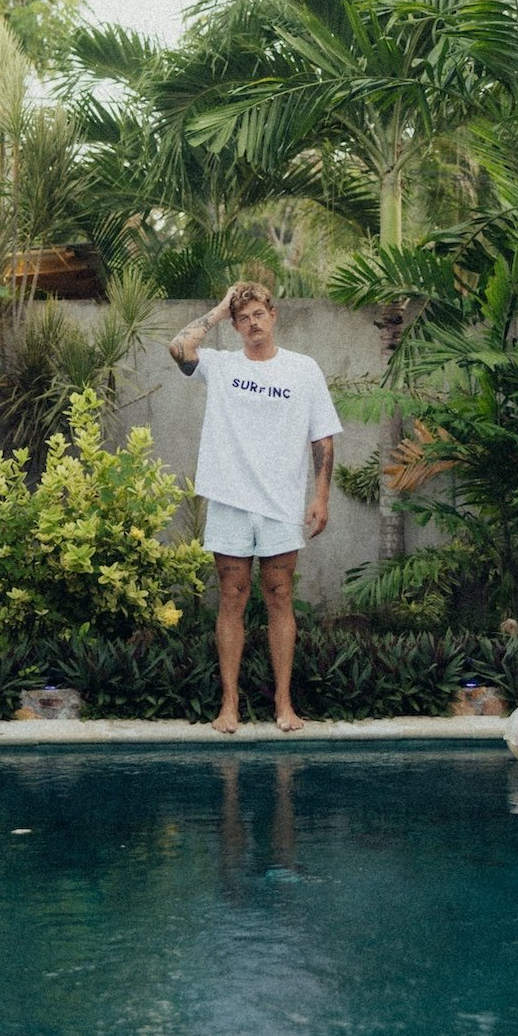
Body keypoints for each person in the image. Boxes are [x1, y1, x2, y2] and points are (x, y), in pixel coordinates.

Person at [169, 282, 341, 733]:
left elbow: (323, 438)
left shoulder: (303, 369)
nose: (252, 323)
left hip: (281, 503)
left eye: (258, 314)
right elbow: (179, 348)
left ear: (273, 315)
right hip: (230, 500)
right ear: (235, 324)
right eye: (242, 317)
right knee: (231, 596)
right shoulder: (221, 366)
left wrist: (321, 497)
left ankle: (284, 704)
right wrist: (218, 309)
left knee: (280, 596)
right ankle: (229, 705)